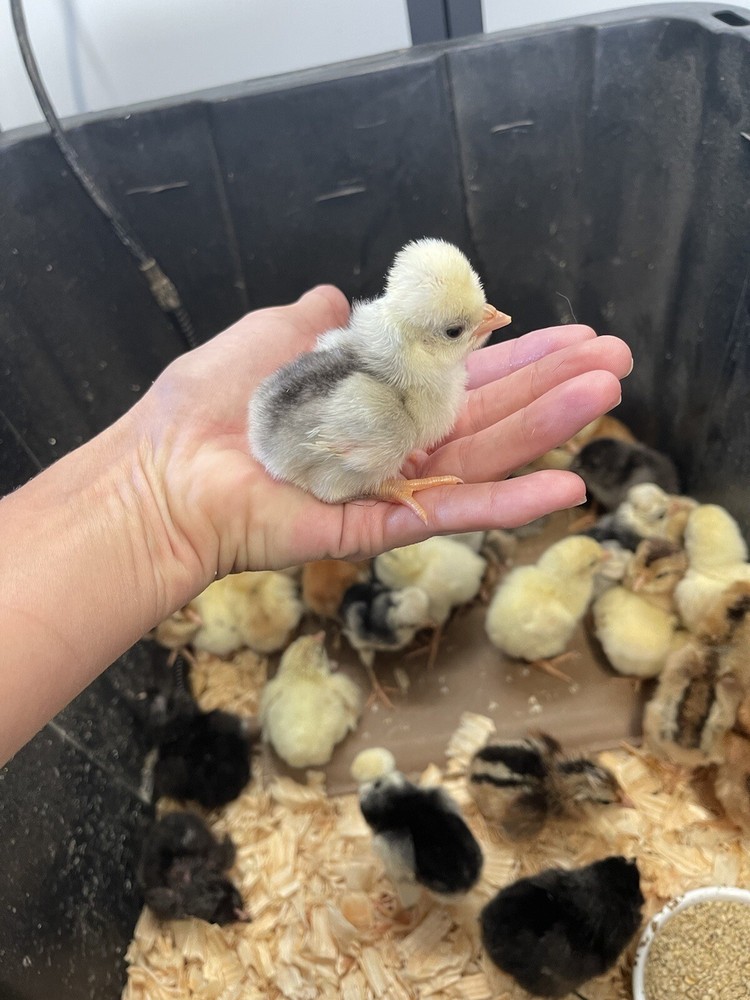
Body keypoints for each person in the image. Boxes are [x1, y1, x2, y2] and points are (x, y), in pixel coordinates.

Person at [0, 285, 632, 764]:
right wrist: (387, 479)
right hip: (316, 449)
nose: (495, 321)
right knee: (380, 439)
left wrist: (155, 495)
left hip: (297, 426)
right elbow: (321, 447)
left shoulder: (365, 355)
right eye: (462, 324)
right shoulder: (388, 404)